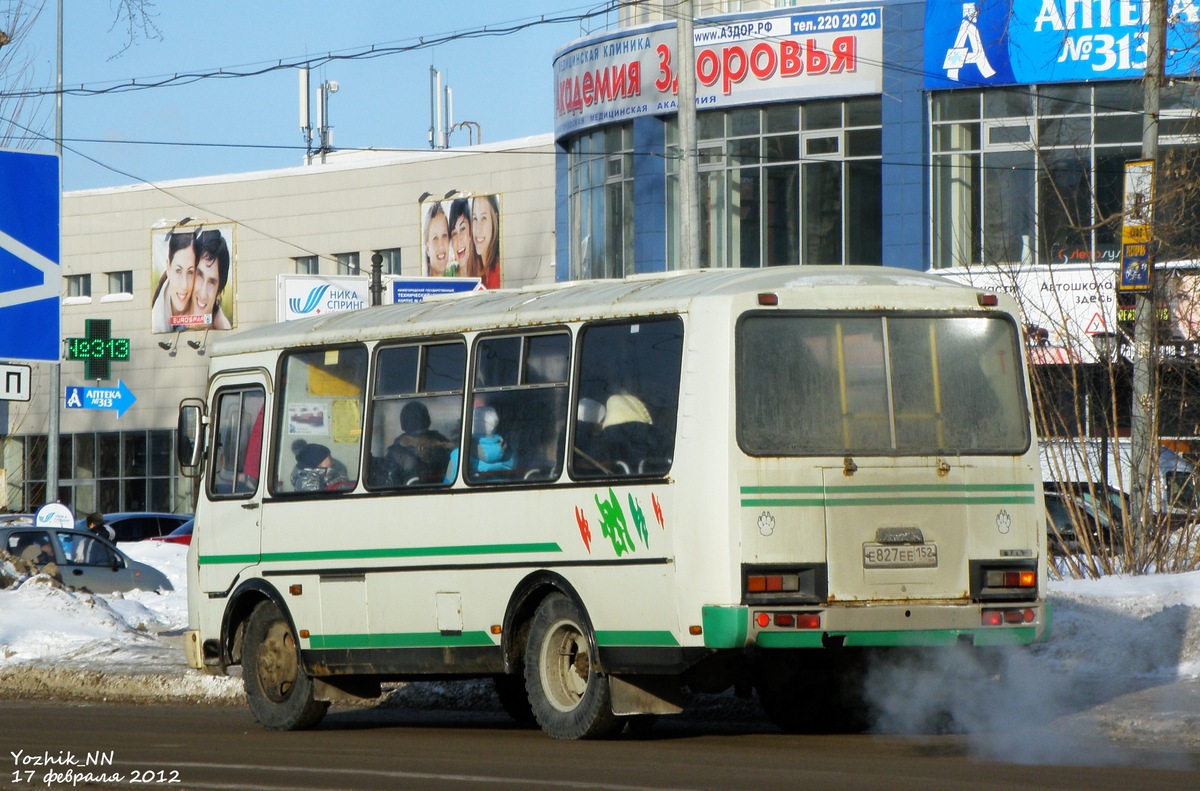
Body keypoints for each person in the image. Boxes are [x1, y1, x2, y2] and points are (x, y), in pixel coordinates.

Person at [384, 401, 454, 484]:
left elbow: (389, 482)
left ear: (403, 422)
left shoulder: (397, 450)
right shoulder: (444, 444)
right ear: (428, 419)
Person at [151, 231, 197, 333]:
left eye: (190, 272)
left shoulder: (203, 303)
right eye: (178, 271)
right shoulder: (157, 324)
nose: (184, 285)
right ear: (168, 266)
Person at [193, 230, 233, 330]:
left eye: (211, 282)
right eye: (199, 275)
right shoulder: (164, 317)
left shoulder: (224, 334)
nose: (203, 293)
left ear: (219, 293)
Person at [471, 194, 501, 289]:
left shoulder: (498, 272)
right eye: (475, 218)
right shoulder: (477, 271)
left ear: (494, 219)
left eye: (484, 218)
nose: (478, 229)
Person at [448, 198, 482, 278]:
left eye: (462, 229)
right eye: (454, 233)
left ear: (471, 232)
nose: (458, 240)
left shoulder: (484, 272)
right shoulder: (447, 274)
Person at [423, 202, 455, 277]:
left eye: (444, 236)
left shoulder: (459, 280)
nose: (440, 246)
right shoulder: (421, 287)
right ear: (428, 248)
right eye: (435, 238)